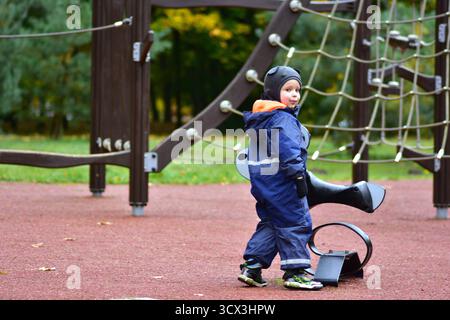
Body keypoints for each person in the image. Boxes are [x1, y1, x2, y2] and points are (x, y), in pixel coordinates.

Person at [238, 66, 323, 290]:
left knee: (272, 224)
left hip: (264, 185)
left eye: (297, 90)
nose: (294, 94)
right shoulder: (282, 119)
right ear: (274, 92)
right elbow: (288, 149)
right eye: (288, 89)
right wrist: (298, 175)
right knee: (296, 222)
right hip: (284, 184)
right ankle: (296, 273)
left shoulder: (260, 118)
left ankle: (252, 267)